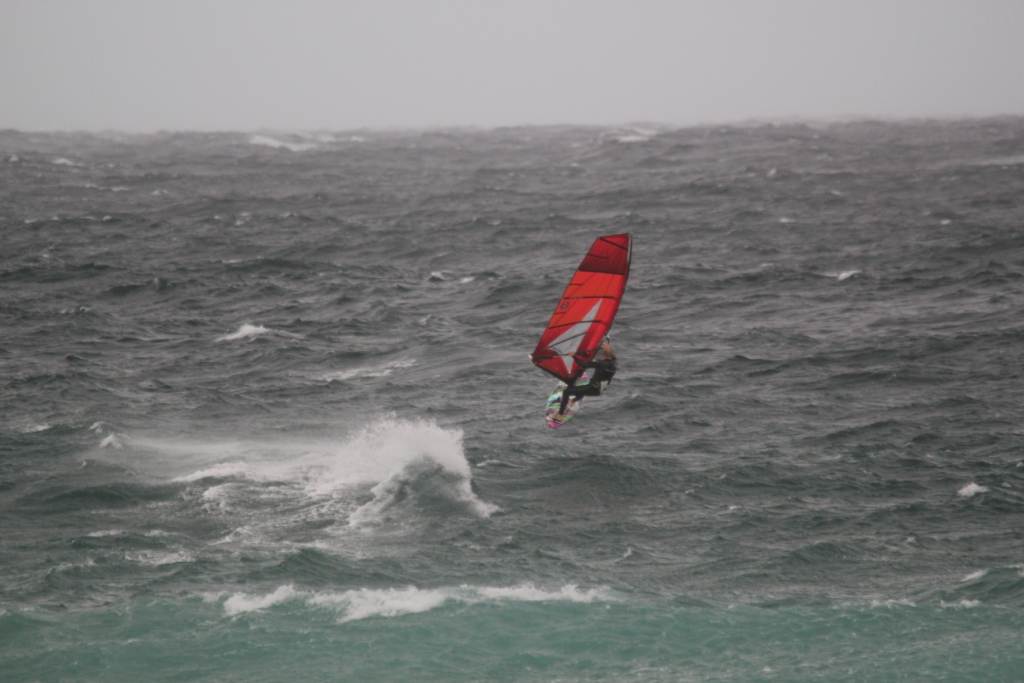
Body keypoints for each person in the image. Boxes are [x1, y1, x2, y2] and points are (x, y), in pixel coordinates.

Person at [558, 337, 617, 415]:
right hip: (600, 390)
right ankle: (573, 401)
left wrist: (574, 356)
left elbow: (584, 364)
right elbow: (608, 354)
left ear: (603, 355)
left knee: (566, 392)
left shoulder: (601, 363)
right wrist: (604, 345)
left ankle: (560, 413)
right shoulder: (613, 363)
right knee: (581, 388)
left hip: (593, 388)